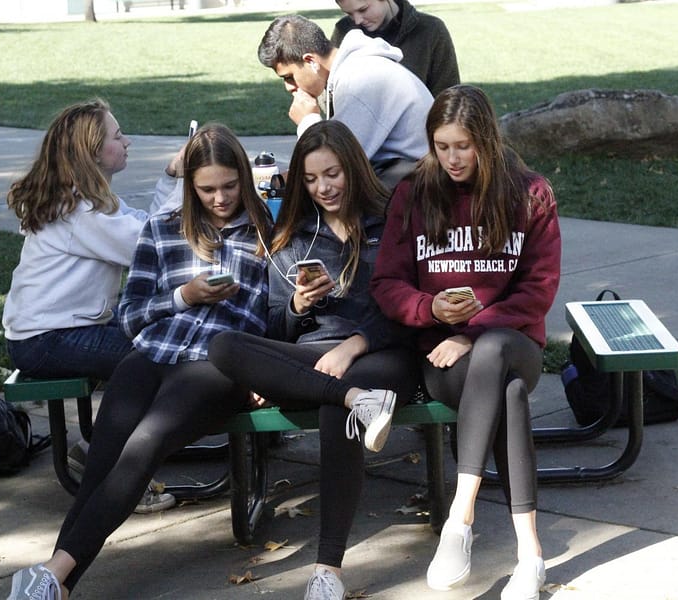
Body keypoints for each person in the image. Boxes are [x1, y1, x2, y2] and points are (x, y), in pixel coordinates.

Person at [6, 123, 274, 600]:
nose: (219, 198)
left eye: (230, 186)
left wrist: (265, 368)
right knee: (105, 455)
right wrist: (182, 297)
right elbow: (130, 315)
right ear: (190, 186)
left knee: (145, 442)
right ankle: (59, 582)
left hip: (214, 361)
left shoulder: (267, 232)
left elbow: (275, 316)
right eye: (207, 189)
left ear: (245, 180)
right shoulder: (163, 228)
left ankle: (53, 572)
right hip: (152, 352)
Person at [209, 119, 418, 600]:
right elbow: (275, 327)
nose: (322, 188)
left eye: (332, 174)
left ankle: (328, 570)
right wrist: (298, 305)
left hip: (382, 354)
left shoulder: (392, 222)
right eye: (309, 179)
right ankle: (356, 399)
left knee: (333, 411)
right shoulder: (296, 237)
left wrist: (354, 345)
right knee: (224, 346)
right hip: (316, 359)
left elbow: (413, 310)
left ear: (355, 169)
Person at [370, 85, 562, 600]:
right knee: (509, 396)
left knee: (496, 350)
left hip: (514, 345)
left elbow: (539, 291)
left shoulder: (530, 193)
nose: (452, 158)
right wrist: (430, 310)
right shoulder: (414, 194)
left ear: (487, 141)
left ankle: (460, 516)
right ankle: (531, 556)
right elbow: (386, 284)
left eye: (463, 146)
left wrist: (471, 332)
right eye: (442, 145)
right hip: (443, 359)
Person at [2, 98, 174, 514]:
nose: (127, 141)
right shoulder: (80, 213)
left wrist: (171, 179)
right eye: (117, 136)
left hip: (54, 330)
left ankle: (95, 446)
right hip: (49, 338)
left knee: (155, 339)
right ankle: (116, 470)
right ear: (93, 151)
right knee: (148, 358)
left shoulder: (85, 201)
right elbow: (149, 246)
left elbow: (145, 226)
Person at [257, 14, 433, 191]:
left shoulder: (358, 81)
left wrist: (307, 122)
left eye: (289, 77)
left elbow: (330, 166)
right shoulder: (354, 69)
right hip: (407, 179)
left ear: (311, 61)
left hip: (421, 189)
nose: (289, 87)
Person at [331, 0, 460, 97]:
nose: (357, 20)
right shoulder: (344, 31)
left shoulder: (431, 30)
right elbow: (330, 91)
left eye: (363, 10)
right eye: (349, 13)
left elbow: (449, 95)